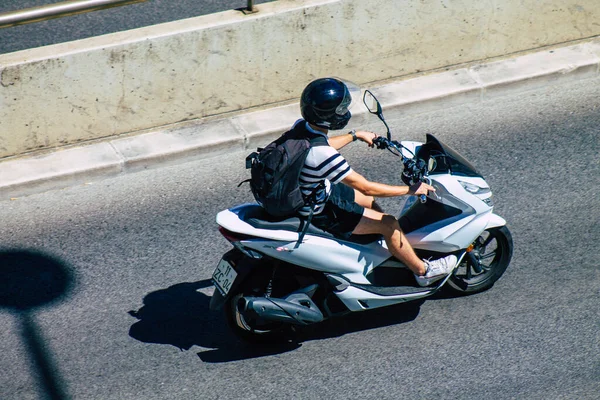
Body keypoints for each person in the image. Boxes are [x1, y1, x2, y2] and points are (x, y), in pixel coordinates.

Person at [295, 77, 457, 287]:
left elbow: (323, 144)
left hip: (312, 192)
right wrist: (411, 189)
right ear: (329, 116)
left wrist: (355, 135)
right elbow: (365, 185)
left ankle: (384, 245)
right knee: (389, 222)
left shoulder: (301, 127)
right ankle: (423, 271)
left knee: (366, 199)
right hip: (318, 210)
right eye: (341, 108)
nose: (344, 111)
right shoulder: (322, 155)